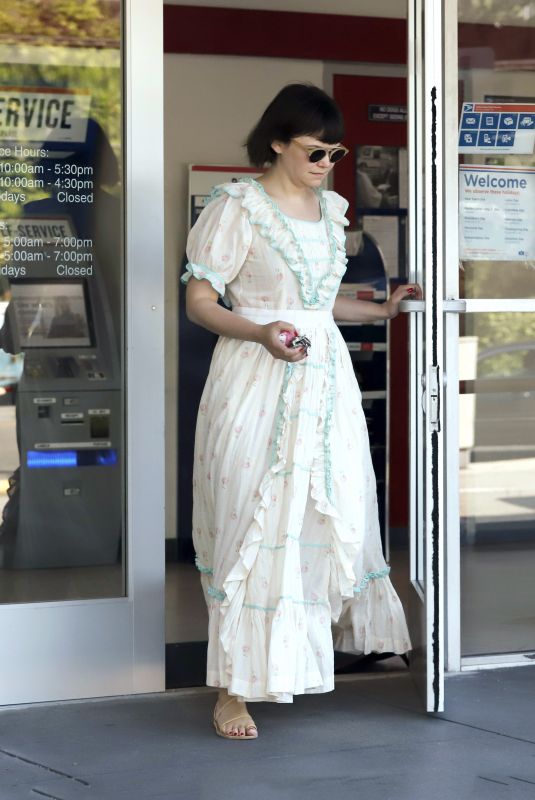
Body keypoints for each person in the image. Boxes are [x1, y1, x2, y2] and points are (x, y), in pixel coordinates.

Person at [181, 83, 421, 740]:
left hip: (322, 378)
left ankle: (290, 661)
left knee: (329, 507)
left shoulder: (332, 209)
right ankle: (232, 689)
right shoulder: (237, 207)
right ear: (278, 143)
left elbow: (320, 302)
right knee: (250, 519)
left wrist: (382, 310)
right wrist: (259, 332)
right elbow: (200, 301)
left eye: (334, 153)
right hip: (255, 375)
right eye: (316, 152)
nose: (326, 165)